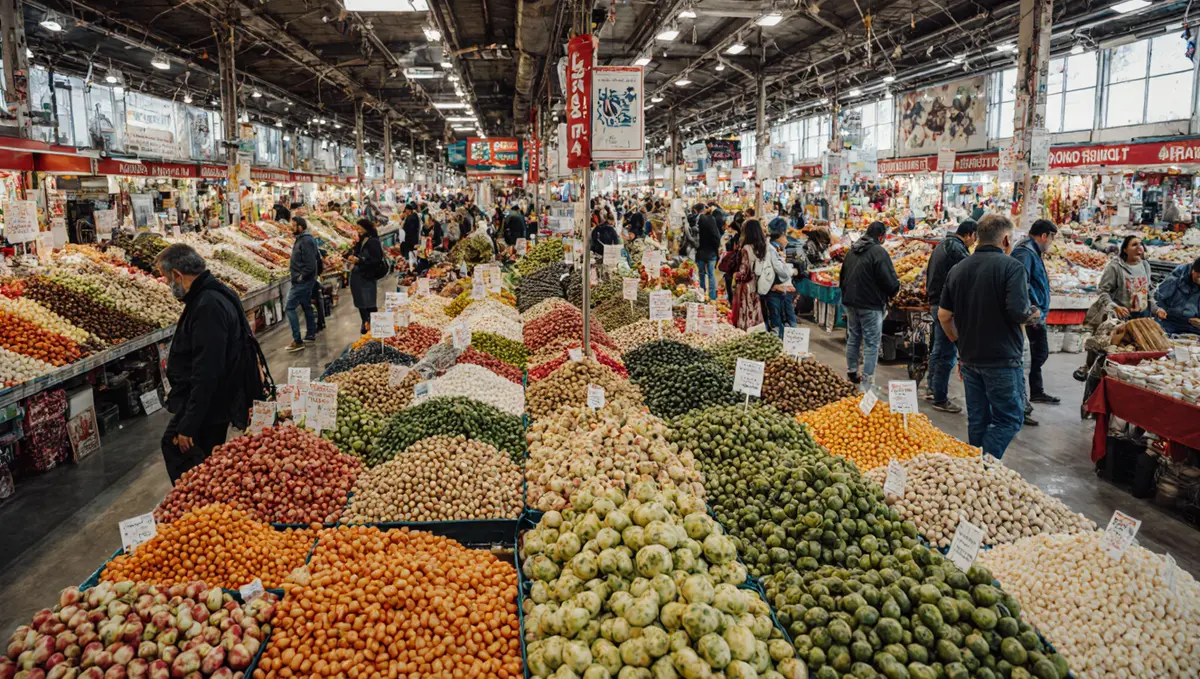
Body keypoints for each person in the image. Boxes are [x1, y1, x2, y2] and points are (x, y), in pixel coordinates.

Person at [938, 214, 1038, 458]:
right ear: (1005, 239)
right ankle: (982, 465)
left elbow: (943, 316)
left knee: (978, 419)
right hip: (1002, 358)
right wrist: (1033, 315)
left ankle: (975, 473)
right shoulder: (1012, 267)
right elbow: (1018, 312)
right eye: (1011, 239)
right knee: (1010, 418)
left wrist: (959, 343)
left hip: (970, 357)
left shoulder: (958, 269)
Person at [156, 244, 241, 484]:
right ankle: (205, 507)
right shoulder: (215, 293)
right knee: (207, 462)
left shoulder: (207, 305)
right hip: (214, 400)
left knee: (181, 452)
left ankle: (199, 508)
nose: (167, 285)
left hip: (209, 405)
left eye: (165, 278)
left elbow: (207, 371)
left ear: (177, 276)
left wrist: (189, 424)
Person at [924, 219, 978, 413]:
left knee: (938, 350)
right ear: (971, 234)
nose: (974, 242)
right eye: (975, 237)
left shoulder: (942, 244)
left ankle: (933, 388)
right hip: (945, 306)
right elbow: (970, 273)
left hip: (935, 302)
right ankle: (940, 397)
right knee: (946, 353)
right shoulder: (956, 249)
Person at [839, 221, 900, 387]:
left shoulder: (852, 250)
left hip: (851, 302)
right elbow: (889, 281)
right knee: (871, 343)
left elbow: (842, 276)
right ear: (880, 237)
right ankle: (867, 382)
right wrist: (895, 291)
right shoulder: (878, 252)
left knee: (854, 338)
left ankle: (852, 372)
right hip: (870, 304)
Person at [1012, 219, 1059, 409]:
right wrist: (1030, 307)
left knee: (1037, 354)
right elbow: (1020, 283)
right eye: (1052, 238)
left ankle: (1035, 392)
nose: (1051, 243)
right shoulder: (1025, 253)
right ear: (1044, 236)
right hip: (1031, 315)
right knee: (1033, 355)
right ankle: (1023, 402)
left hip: (1036, 314)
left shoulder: (1032, 251)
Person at [1096, 235, 1166, 321]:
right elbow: (1102, 291)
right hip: (1121, 317)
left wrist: (1156, 309)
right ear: (1125, 250)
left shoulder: (1145, 265)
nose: (1139, 248)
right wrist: (1114, 307)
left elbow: (1148, 292)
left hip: (1142, 317)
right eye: (1134, 245)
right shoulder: (1115, 267)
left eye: (1140, 244)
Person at [285, 216, 320, 352]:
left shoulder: (306, 241)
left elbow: (310, 264)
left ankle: (297, 340)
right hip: (303, 280)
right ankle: (310, 334)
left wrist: (301, 277)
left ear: (299, 227)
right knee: (306, 305)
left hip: (303, 281)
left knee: (289, 307)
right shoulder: (302, 239)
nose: (290, 228)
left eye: (292, 225)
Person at [348, 218, 384, 334]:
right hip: (358, 276)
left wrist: (359, 260)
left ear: (365, 228)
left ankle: (376, 326)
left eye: (359, 228)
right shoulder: (361, 240)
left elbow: (376, 259)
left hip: (367, 276)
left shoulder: (373, 241)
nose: (357, 230)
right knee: (360, 302)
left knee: (369, 303)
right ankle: (365, 322)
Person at [763, 219, 797, 338]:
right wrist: (792, 270)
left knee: (780, 316)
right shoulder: (772, 248)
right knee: (779, 318)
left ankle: (782, 341)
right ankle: (781, 343)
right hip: (775, 289)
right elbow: (781, 271)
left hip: (777, 288)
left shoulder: (774, 246)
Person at [732, 219, 767, 330]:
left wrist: (735, 276)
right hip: (758, 283)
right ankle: (755, 331)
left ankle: (744, 331)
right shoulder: (763, 247)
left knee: (745, 309)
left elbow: (744, 272)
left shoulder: (746, 249)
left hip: (746, 286)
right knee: (755, 309)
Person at [1154, 256, 1200, 335]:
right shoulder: (1177, 278)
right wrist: (1159, 311)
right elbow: (1158, 299)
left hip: (1192, 324)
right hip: (1170, 320)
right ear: (1194, 271)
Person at [695, 203, 722, 301]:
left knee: (701, 274)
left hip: (700, 252)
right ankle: (712, 297)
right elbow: (716, 237)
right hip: (711, 253)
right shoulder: (712, 220)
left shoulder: (697, 220)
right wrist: (716, 250)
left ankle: (701, 296)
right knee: (711, 275)